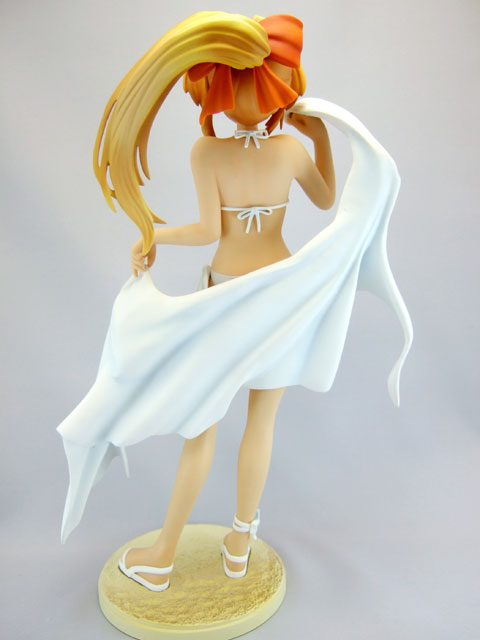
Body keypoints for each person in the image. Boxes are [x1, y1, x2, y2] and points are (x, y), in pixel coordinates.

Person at [58, 11, 412, 593]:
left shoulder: (207, 152)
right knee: (261, 423)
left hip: (224, 296)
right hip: (281, 297)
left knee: (202, 426)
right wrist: (321, 138)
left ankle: (163, 556)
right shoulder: (291, 150)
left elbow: (206, 231)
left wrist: (151, 234)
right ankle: (240, 546)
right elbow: (329, 201)